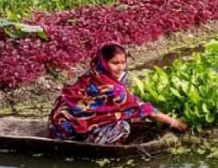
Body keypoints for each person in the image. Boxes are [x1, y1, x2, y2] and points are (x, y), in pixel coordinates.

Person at [48, 42, 188, 144]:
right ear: (103, 62)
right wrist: (173, 122)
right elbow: (142, 108)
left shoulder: (93, 73)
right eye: (115, 63)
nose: (120, 67)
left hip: (57, 126)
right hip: (68, 132)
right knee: (123, 126)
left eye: (123, 62)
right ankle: (90, 144)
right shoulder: (113, 88)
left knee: (128, 115)